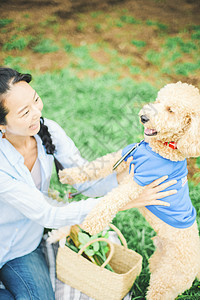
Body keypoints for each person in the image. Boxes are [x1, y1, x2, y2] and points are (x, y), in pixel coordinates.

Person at [0, 67, 177, 300]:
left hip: (23, 246)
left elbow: (83, 180)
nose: (36, 113)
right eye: (24, 112)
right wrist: (118, 203)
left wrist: (122, 178)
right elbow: (48, 215)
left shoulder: (48, 130)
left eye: (36, 100)